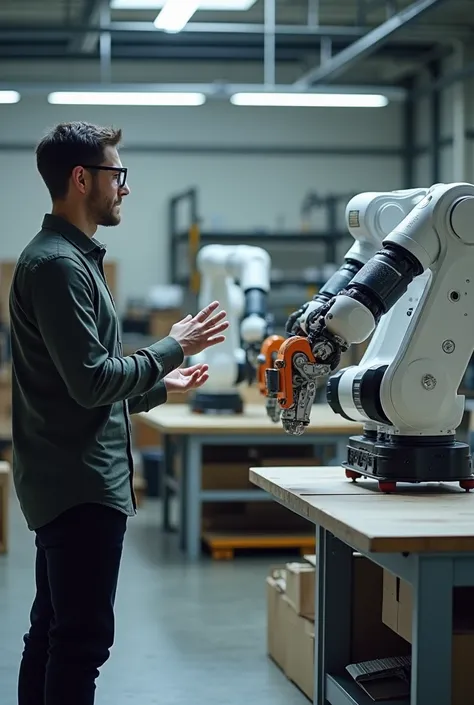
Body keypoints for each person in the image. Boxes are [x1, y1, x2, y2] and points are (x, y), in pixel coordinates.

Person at [9, 121, 229, 705]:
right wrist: (172, 346)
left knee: (54, 632)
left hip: (73, 477)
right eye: (117, 174)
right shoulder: (57, 265)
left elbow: (84, 385)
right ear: (82, 179)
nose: (124, 187)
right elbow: (90, 383)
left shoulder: (72, 260)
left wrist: (162, 382)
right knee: (80, 645)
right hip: (79, 484)